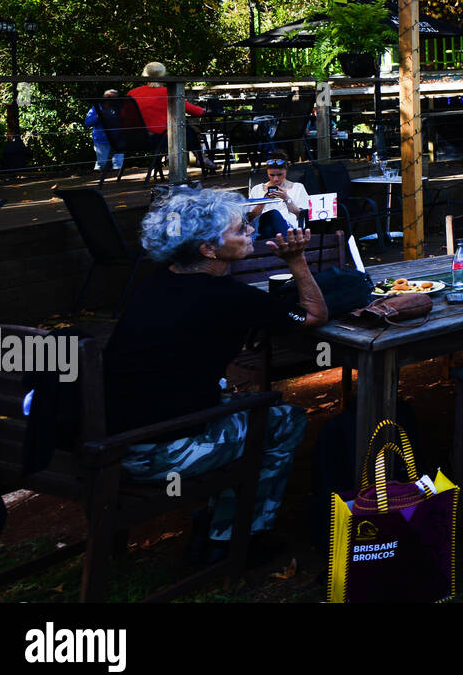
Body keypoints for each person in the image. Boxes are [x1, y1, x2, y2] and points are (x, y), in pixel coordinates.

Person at [103, 189, 327, 564]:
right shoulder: (228, 297)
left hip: (113, 442)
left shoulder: (154, 284)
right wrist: (297, 260)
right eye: (241, 230)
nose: (251, 233)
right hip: (157, 453)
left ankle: (215, 518)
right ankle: (234, 538)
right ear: (208, 249)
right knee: (284, 420)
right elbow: (312, 316)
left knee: (236, 409)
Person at [127, 61, 218, 174]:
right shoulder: (167, 92)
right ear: (163, 75)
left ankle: (201, 158)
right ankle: (201, 158)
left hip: (134, 138)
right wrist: (204, 111)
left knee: (183, 128)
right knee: (186, 130)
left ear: (145, 74)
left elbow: (124, 115)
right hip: (159, 137)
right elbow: (191, 110)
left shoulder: (132, 93)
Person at [246, 152, 311, 240]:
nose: (275, 179)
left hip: (289, 228)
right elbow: (250, 217)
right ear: (267, 173)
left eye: (280, 175)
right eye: (271, 175)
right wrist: (263, 201)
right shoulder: (257, 189)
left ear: (286, 171)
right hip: (262, 226)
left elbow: (301, 215)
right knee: (273, 214)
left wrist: (286, 198)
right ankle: (288, 245)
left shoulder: (298, 187)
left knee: (269, 230)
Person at [85, 89, 125, 173]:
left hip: (117, 138)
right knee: (101, 164)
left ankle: (118, 181)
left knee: (118, 165)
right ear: (103, 97)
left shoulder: (120, 108)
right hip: (101, 139)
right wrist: (98, 116)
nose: (110, 100)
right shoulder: (96, 108)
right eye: (108, 97)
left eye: (113, 98)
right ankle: (98, 180)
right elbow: (87, 122)